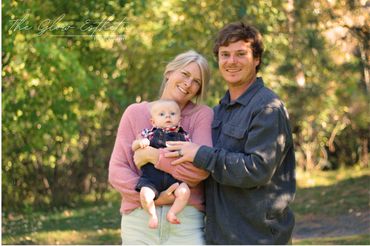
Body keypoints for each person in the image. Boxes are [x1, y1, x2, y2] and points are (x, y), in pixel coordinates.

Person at [165, 22, 296, 244]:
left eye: (241, 54)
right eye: (225, 54)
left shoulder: (267, 108)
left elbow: (257, 169)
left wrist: (201, 154)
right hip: (220, 235)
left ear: (256, 59)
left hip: (256, 236)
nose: (231, 61)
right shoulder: (217, 112)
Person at [108, 50, 213, 244]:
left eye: (196, 81)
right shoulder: (135, 113)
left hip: (185, 221)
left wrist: (155, 156)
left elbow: (200, 170)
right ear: (169, 73)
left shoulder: (202, 116)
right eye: (185, 74)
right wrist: (154, 198)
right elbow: (117, 171)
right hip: (139, 220)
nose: (188, 84)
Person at [132, 99, 191, 229]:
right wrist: (140, 143)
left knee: (185, 191)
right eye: (162, 114)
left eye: (172, 113)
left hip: (174, 179)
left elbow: (190, 152)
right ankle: (152, 215)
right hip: (151, 179)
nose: (168, 116)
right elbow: (134, 146)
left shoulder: (184, 135)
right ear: (153, 121)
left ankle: (172, 212)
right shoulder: (149, 133)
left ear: (179, 120)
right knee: (145, 195)